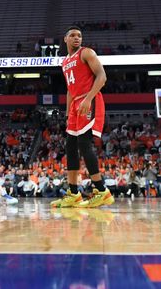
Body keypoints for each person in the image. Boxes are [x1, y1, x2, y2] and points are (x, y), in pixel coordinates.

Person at [50, 26, 113, 209]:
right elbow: (70, 90)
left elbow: (102, 76)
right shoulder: (65, 62)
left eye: (79, 35)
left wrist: (88, 98)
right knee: (70, 147)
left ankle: (102, 191)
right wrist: (69, 111)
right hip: (75, 103)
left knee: (84, 144)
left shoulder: (86, 53)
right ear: (65, 39)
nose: (76, 38)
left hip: (89, 98)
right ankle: (74, 193)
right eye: (72, 35)